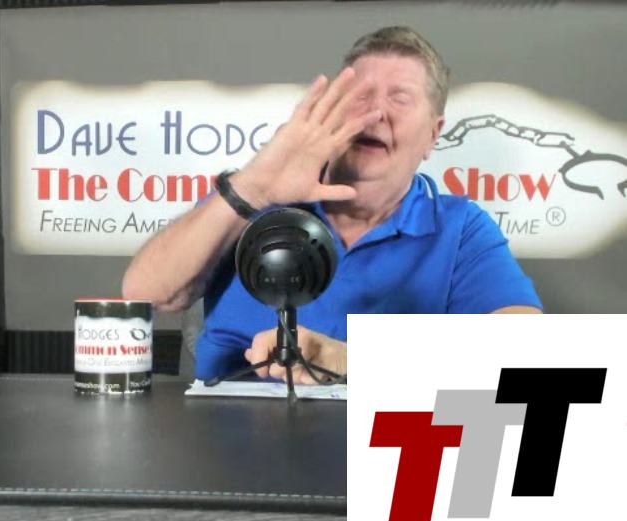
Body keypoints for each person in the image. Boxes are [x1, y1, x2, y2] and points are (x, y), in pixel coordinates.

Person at [122, 25, 542, 384]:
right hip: (225, 439)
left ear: (433, 135)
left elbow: (526, 352)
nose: (376, 113)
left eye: (400, 99)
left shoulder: (460, 228)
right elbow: (148, 294)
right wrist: (254, 187)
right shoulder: (254, 198)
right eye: (361, 95)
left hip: (377, 441)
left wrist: (347, 359)